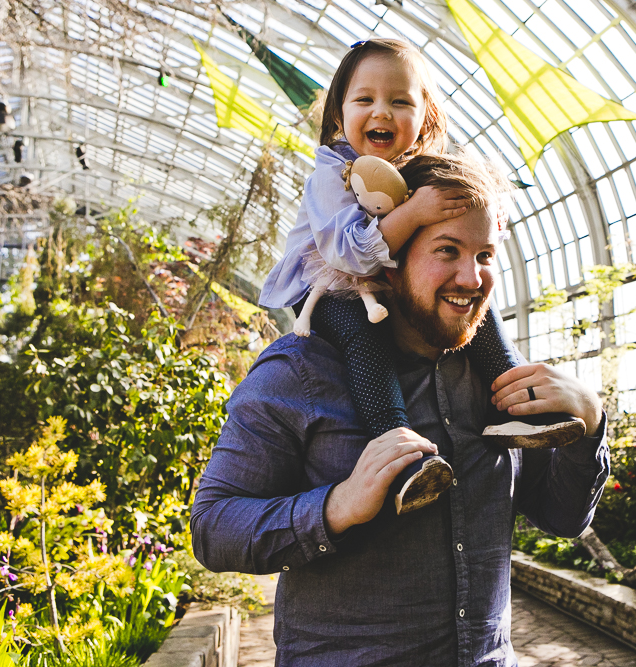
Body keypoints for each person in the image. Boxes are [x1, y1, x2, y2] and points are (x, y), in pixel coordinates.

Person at [192, 152, 611, 666]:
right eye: (448, 250)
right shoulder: (300, 371)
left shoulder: (499, 378)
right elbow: (214, 528)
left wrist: (589, 425)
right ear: (387, 265)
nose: (472, 277)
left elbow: (564, 517)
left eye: (484, 255)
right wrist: (337, 507)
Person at [257, 38, 585, 515]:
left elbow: (467, 224)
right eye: (364, 99)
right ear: (338, 115)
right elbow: (345, 252)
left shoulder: (420, 173)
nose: (382, 112)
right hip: (331, 287)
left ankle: (514, 406)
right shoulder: (331, 172)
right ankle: (402, 454)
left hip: (380, 280)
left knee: (476, 309)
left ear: (426, 117)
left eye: (401, 101)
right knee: (365, 340)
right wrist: (414, 213)